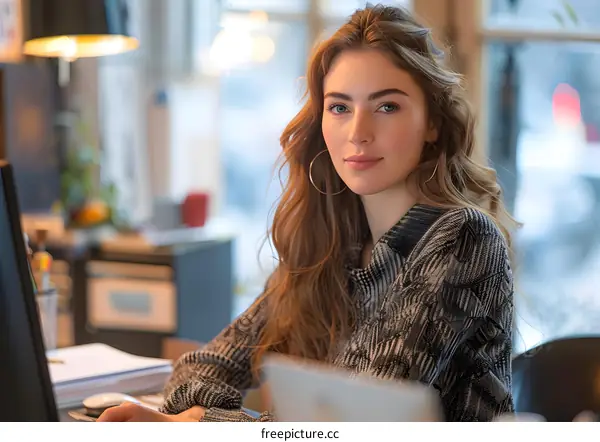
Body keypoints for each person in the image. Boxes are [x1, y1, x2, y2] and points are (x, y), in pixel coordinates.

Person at [98, 4, 516, 423]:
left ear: (433, 124)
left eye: (387, 106)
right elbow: (202, 367)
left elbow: (351, 424)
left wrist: (202, 423)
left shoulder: (464, 237)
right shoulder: (333, 242)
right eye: (339, 108)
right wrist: (198, 417)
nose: (358, 133)